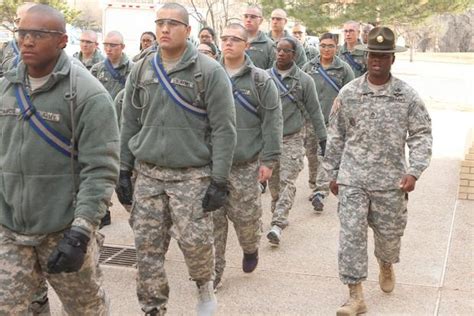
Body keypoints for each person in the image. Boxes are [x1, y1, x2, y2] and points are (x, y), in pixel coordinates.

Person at [116, 3, 236, 315]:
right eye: (160, 23)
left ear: (188, 30)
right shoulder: (141, 68)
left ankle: (204, 287)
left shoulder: (209, 72)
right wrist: (123, 168)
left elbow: (224, 129)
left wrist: (219, 180)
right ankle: (153, 307)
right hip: (149, 173)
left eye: (173, 23)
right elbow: (129, 120)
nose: (165, 29)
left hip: (192, 175)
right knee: (147, 248)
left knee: (196, 243)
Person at [0, 4, 119, 315]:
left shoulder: (88, 94)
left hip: (63, 229)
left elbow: (101, 169)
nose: (27, 41)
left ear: (63, 41)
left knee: (86, 310)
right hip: (10, 227)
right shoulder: (5, 90)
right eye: (22, 33)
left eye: (38, 34)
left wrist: (82, 231)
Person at [324, 27, 432, 315]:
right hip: (353, 178)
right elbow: (335, 135)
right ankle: (355, 295)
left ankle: (386, 263)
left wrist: (415, 170)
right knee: (351, 236)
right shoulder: (349, 93)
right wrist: (332, 173)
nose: (377, 60)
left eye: (384, 56)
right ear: (365, 57)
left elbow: (421, 134)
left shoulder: (406, 96)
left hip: (390, 181)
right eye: (373, 54)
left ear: (392, 60)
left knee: (389, 237)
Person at [213, 23, 282, 289]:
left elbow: (272, 120)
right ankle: (213, 275)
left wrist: (269, 160)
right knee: (213, 222)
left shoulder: (260, 79)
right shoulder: (207, 74)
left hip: (245, 164)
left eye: (235, 39)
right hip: (211, 163)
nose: (228, 43)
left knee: (245, 219)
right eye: (225, 39)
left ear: (247, 45)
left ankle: (250, 247)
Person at [266, 37, 326, 246]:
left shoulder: (304, 81)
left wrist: (323, 138)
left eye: (286, 50)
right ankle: (277, 208)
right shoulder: (264, 78)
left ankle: (278, 223)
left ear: (294, 54)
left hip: (292, 138)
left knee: (287, 181)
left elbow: (315, 112)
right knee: (273, 184)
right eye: (278, 50)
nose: (281, 53)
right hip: (268, 140)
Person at [302, 33, 354, 212]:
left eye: (330, 46)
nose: (326, 49)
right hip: (310, 121)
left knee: (324, 154)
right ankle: (314, 184)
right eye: (323, 45)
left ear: (336, 48)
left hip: (331, 122)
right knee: (311, 156)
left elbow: (350, 95)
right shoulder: (308, 67)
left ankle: (320, 191)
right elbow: (300, 91)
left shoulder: (344, 69)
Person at [91, 31, 133, 101]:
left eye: (112, 45)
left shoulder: (133, 69)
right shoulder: (96, 69)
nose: (108, 49)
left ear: (122, 47)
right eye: (105, 45)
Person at [0, 2, 37, 77]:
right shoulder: (6, 47)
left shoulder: (49, 46)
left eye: (30, 19)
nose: (23, 25)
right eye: (19, 21)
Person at [242, 5, 275, 69]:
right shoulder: (234, 40)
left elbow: (273, 72)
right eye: (246, 16)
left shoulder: (269, 45)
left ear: (261, 20)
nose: (248, 20)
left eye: (253, 17)